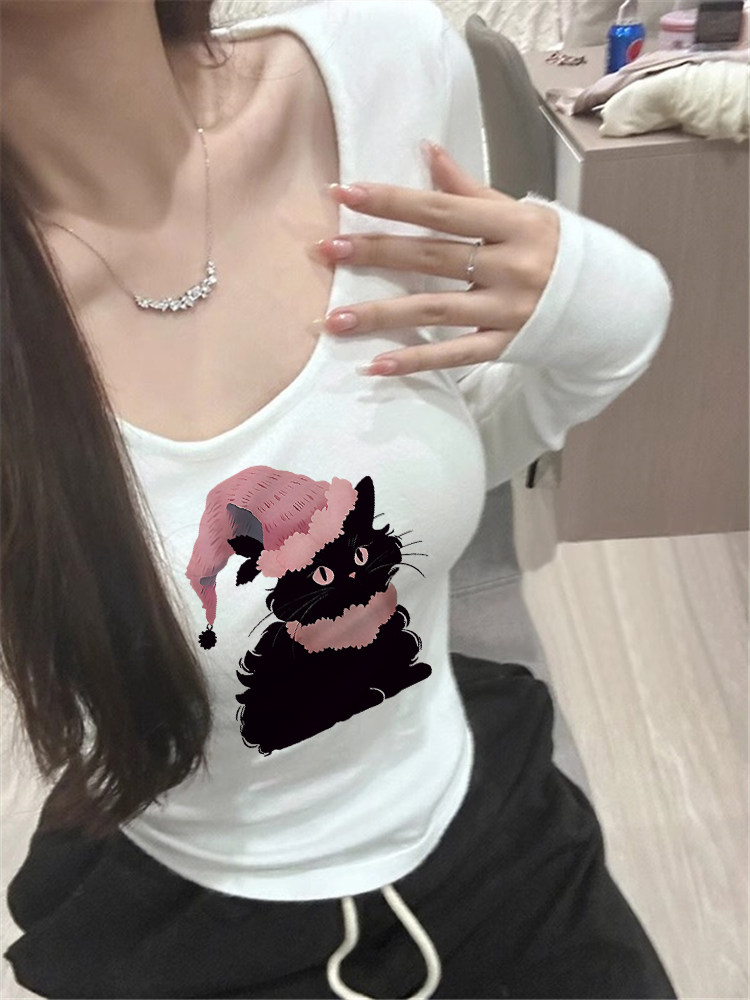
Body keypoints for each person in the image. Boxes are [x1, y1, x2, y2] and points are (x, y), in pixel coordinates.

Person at [0, 1, 678, 997]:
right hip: (191, 929)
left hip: (496, 842)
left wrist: (607, 307)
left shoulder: (387, 68)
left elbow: (442, 442)